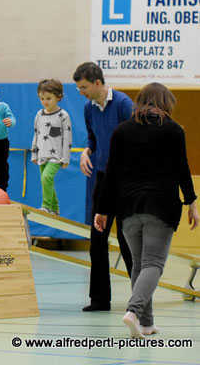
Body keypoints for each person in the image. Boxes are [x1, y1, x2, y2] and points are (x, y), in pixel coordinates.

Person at [94, 82, 200, 338]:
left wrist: (102, 209)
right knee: (153, 264)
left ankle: (146, 323)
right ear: (165, 103)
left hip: (127, 206)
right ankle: (133, 311)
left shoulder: (122, 131)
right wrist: (192, 204)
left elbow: (111, 173)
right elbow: (181, 170)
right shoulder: (173, 131)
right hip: (160, 206)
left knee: (140, 267)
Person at [73, 62, 134, 312]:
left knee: (127, 239)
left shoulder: (123, 104)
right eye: (78, 88)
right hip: (101, 180)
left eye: (84, 87)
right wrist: (87, 151)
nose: (81, 92)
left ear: (98, 83)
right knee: (97, 240)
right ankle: (99, 299)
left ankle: (140, 300)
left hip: (126, 181)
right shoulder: (89, 108)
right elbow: (92, 137)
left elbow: (135, 138)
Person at [31, 79, 72, 215]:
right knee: (46, 181)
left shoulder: (63, 116)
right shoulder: (39, 114)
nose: (45, 101)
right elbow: (36, 134)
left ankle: (46, 206)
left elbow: (67, 138)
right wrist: (34, 153)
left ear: (58, 97)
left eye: (48, 98)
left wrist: (65, 158)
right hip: (42, 154)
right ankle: (54, 208)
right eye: (42, 98)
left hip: (56, 156)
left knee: (46, 178)